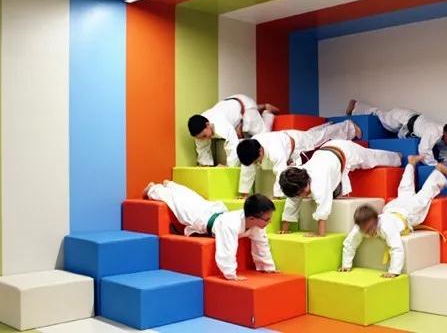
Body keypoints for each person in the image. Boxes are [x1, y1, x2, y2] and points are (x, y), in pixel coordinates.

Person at [339, 155, 447, 278]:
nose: (369, 232)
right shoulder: (360, 227)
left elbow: (396, 247)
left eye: (371, 228)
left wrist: (393, 271)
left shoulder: (386, 227)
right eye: (365, 230)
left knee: (423, 197)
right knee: (404, 190)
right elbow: (349, 244)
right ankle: (410, 164)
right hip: (391, 208)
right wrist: (346, 265)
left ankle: (438, 173)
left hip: (407, 213)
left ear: (377, 220)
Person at [145, 180, 277, 281]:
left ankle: (171, 186)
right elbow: (227, 250)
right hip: (202, 218)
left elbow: (262, 245)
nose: (269, 222)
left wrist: (268, 268)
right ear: (252, 218)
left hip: (217, 211)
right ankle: (153, 189)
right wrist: (231, 274)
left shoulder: (257, 226)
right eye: (267, 219)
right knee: (180, 204)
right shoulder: (231, 225)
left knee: (193, 198)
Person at [278, 139, 401, 237]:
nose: (302, 196)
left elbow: (323, 208)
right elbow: (291, 202)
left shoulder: (319, 180)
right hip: (327, 151)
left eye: (302, 192)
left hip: (344, 150)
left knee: (372, 158)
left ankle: (398, 157)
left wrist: (319, 233)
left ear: (306, 181)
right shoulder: (295, 178)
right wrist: (285, 229)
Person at [236, 120, 362, 198]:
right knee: (312, 135)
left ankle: (349, 127)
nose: (257, 163)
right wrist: (244, 193)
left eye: (257, 160)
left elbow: (280, 174)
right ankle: (328, 125)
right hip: (284, 139)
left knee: (318, 137)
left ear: (260, 151)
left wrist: (277, 196)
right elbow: (247, 170)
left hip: (296, 142)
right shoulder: (249, 148)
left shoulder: (275, 152)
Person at [346, 99, 447, 166]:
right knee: (380, 115)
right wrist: (436, 165)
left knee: (382, 117)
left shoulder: (441, 135)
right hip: (402, 118)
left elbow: (438, 153)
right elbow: (424, 150)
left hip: (408, 125)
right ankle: (356, 105)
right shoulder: (434, 131)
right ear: (446, 134)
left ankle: (357, 107)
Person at [188, 95, 279, 167]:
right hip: (232, 104)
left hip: (245, 107)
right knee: (245, 118)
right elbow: (202, 148)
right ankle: (260, 107)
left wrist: (229, 166)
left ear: (208, 124)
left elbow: (233, 144)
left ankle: (267, 113)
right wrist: (205, 165)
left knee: (264, 135)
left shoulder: (220, 124)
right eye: (201, 138)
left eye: (204, 136)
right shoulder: (199, 128)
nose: (204, 139)